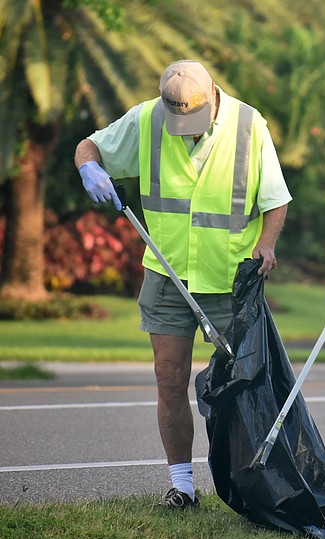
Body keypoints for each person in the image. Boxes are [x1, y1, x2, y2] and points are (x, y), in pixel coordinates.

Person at [75, 60, 291, 510]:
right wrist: (89, 168)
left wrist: (266, 246)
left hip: (230, 278)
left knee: (247, 383)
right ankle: (183, 487)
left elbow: (275, 200)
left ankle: (256, 488)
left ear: (213, 93)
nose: (187, 131)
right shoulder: (149, 118)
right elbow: (89, 146)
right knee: (169, 377)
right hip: (167, 271)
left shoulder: (249, 125)